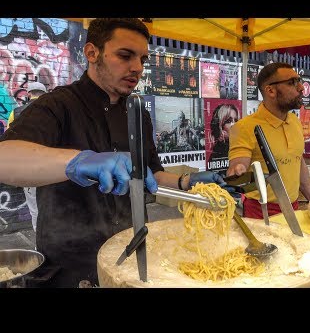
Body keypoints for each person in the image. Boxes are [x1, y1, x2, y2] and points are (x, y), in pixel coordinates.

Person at [0, 18, 227, 287]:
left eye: (142, 59)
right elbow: (6, 158)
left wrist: (186, 183)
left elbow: (152, 174)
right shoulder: (58, 104)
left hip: (130, 253)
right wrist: (77, 161)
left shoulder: (138, 114)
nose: (137, 68)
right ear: (92, 53)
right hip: (70, 266)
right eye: (125, 55)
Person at [227, 62, 310, 219]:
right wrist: (237, 169)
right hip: (261, 214)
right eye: (292, 83)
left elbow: (298, 160)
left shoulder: (294, 122)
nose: (301, 88)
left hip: (293, 209)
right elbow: (238, 164)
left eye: (299, 80)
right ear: (270, 90)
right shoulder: (245, 127)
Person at [7, 81, 48, 232]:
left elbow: (9, 141)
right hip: (50, 166)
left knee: (34, 209)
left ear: (29, 94)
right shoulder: (52, 111)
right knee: (51, 206)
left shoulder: (16, 113)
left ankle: (39, 243)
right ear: (44, 94)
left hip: (27, 167)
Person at [207, 103, 239, 174]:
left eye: (236, 120)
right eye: (229, 121)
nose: (234, 125)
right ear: (220, 126)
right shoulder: (218, 153)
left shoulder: (237, 147)